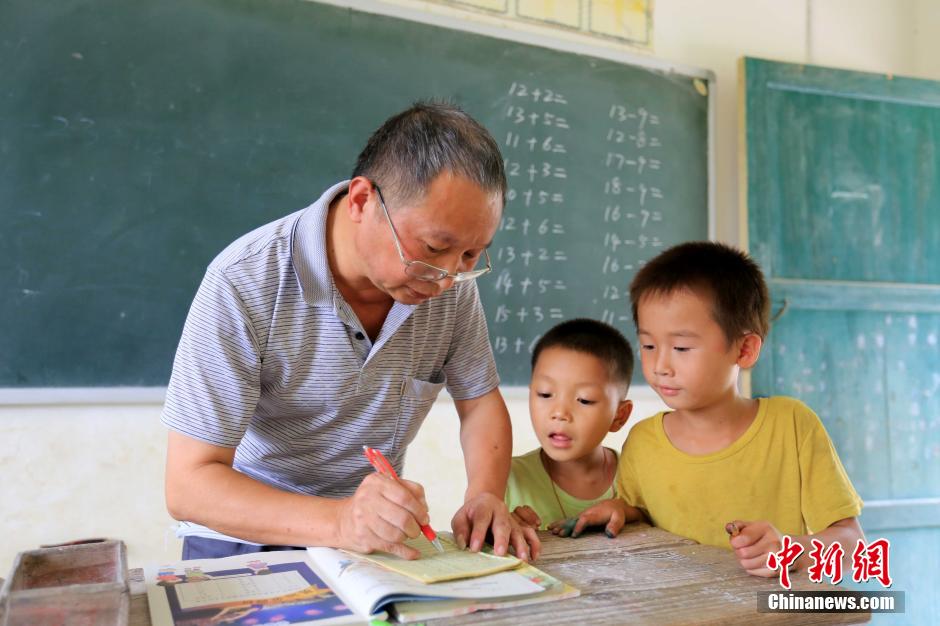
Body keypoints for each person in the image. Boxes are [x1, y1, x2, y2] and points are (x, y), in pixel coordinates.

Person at [162, 102, 539, 562]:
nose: (446, 278)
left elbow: (479, 402)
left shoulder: (448, 288)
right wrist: (340, 521)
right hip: (243, 538)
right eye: (435, 248)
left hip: (368, 544)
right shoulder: (244, 281)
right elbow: (189, 483)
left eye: (471, 256)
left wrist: (485, 494)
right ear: (361, 201)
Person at [565, 242, 864, 577]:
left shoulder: (792, 426)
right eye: (648, 345)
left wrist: (790, 551)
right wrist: (620, 510)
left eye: (681, 347)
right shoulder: (642, 441)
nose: (661, 365)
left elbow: (852, 544)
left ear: (745, 349)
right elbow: (644, 515)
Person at [505, 318, 633, 533]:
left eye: (584, 400)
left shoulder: (636, 478)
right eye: (545, 394)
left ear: (619, 416)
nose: (560, 413)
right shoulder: (506, 479)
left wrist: (628, 512)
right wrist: (499, 529)